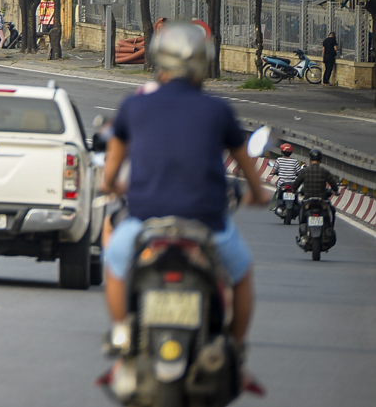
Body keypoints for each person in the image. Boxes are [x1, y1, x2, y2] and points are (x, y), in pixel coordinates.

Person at [100, 23, 266, 353]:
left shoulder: (134, 106)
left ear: (159, 61)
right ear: (203, 63)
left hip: (145, 221)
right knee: (242, 274)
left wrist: (111, 186)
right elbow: (246, 162)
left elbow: (112, 168)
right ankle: (234, 345)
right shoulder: (218, 110)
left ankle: (122, 332)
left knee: (115, 264)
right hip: (207, 222)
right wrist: (259, 195)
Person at [296, 148, 340, 227]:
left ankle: (302, 231)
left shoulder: (305, 171)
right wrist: (336, 191)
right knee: (332, 210)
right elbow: (333, 183)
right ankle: (330, 228)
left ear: (310, 159)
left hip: (308, 199)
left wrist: (293, 190)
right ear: (320, 159)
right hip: (322, 199)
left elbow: (296, 183)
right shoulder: (324, 171)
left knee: (301, 210)